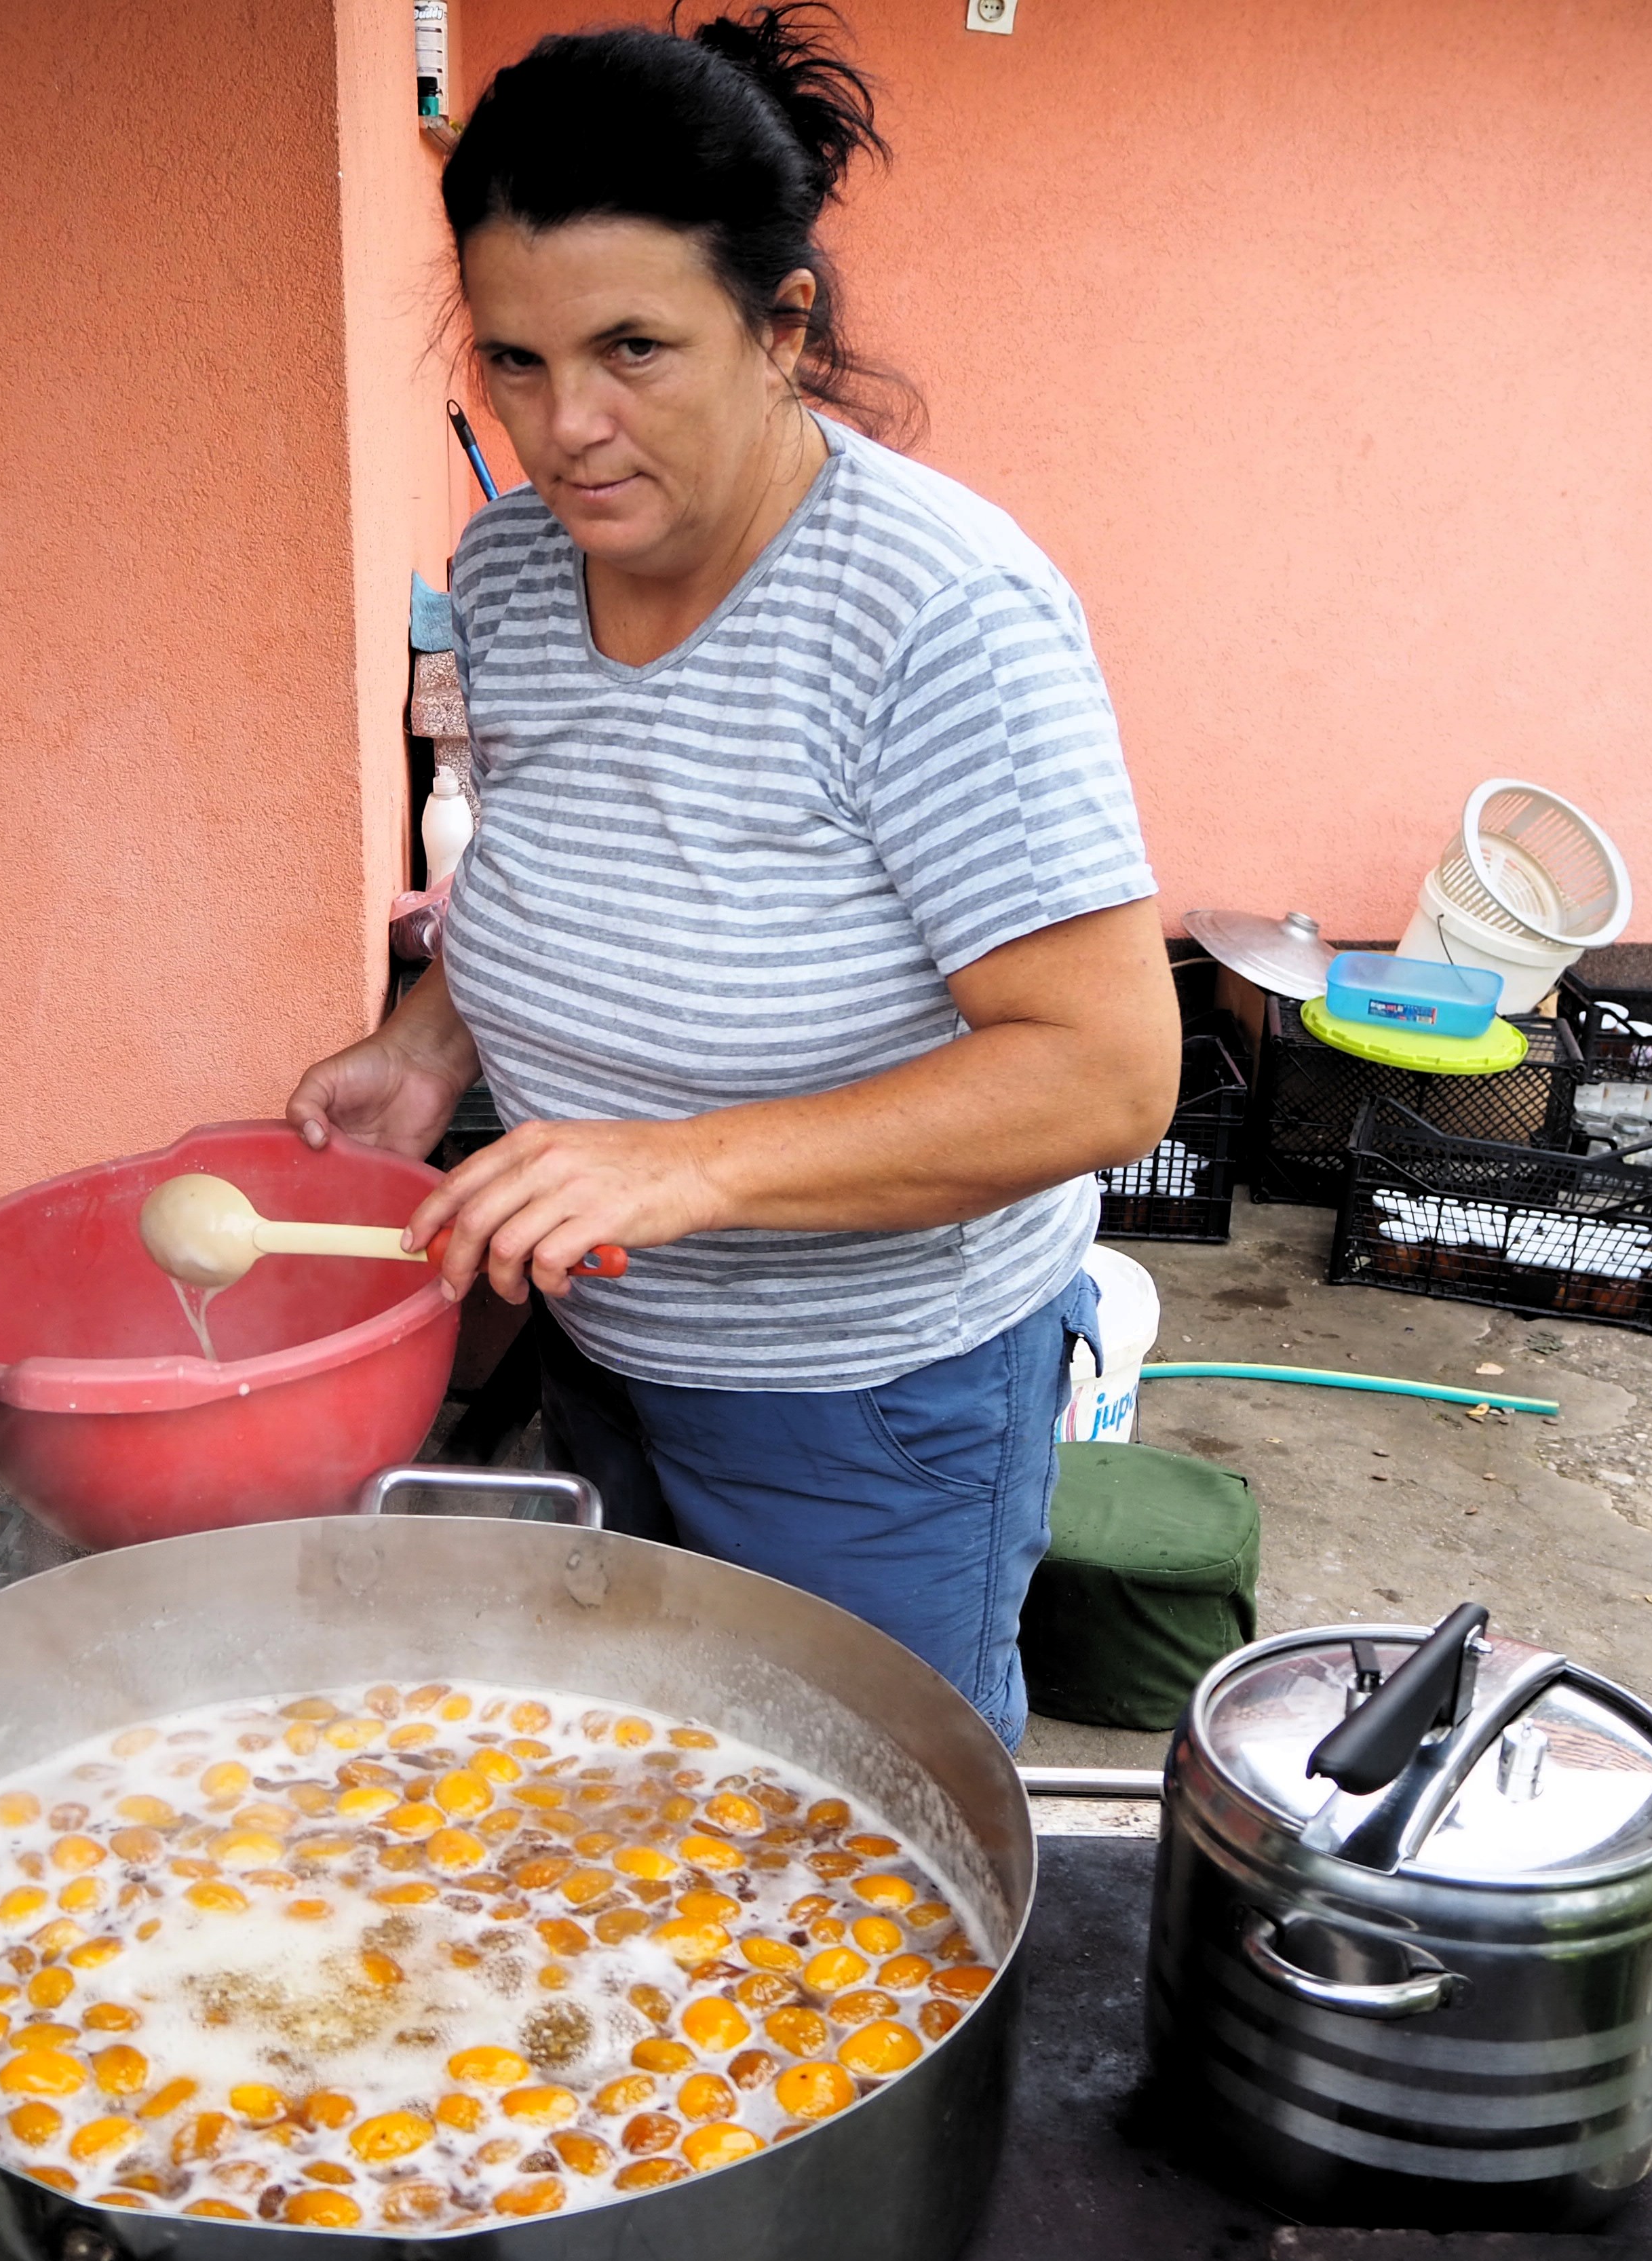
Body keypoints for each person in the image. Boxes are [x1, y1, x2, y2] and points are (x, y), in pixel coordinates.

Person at [284, 7, 1175, 1746]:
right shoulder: (520, 566)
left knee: (855, 1837)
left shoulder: (937, 619)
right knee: (654, 1784)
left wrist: (683, 1167)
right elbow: (561, 858)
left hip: (874, 1402)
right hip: (612, 1348)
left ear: (781, 328)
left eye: (634, 349)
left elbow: (1109, 1067)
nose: (566, 428)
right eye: (516, 361)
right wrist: (429, 1045)